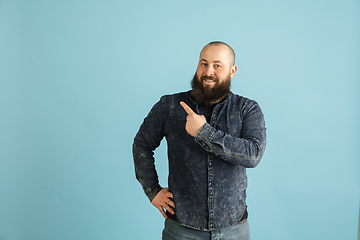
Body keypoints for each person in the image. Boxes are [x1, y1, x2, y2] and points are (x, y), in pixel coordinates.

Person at [133, 41, 266, 240]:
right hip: (181, 230)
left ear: (232, 70)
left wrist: (204, 133)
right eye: (203, 63)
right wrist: (152, 190)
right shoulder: (169, 106)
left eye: (217, 65)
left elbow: (253, 154)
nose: (208, 71)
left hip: (234, 230)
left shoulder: (247, 108)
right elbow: (142, 145)